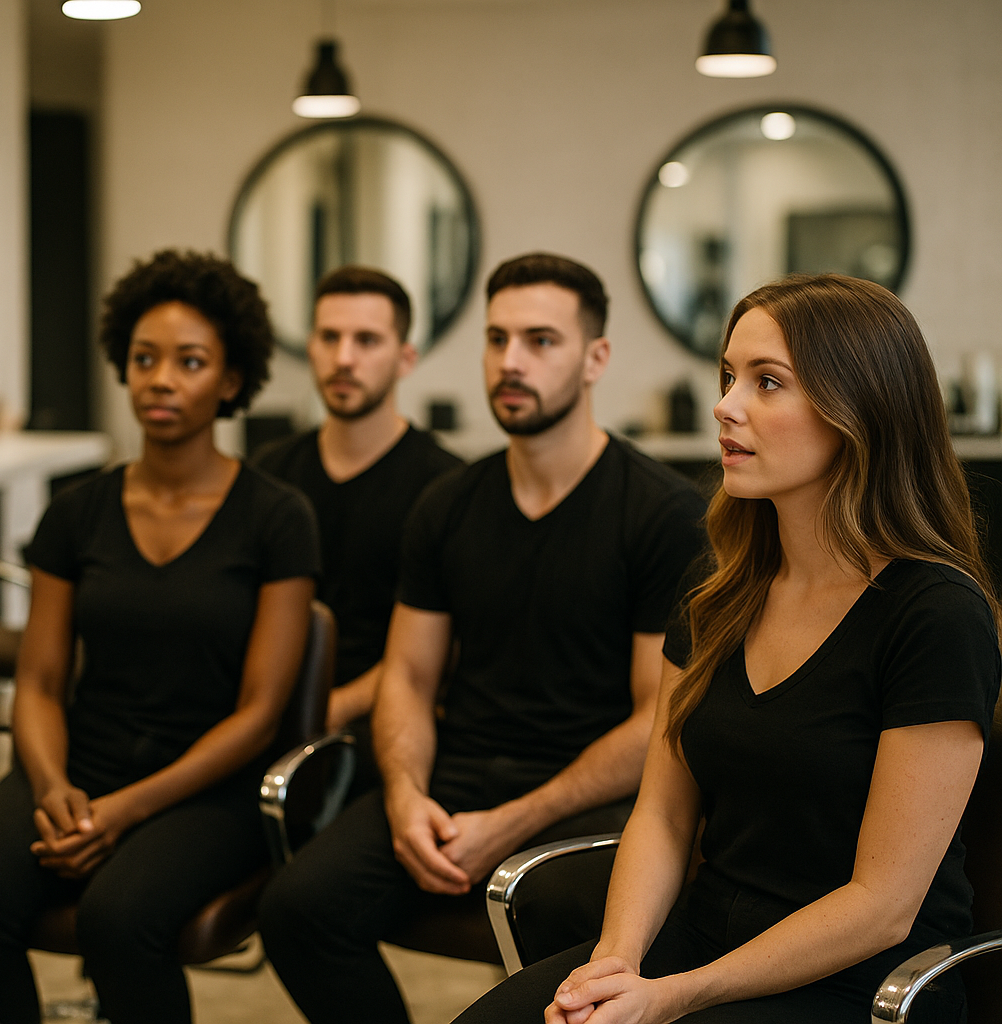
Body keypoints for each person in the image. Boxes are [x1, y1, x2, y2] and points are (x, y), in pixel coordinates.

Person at [454, 274, 1001, 1024]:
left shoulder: (935, 615)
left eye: (766, 382)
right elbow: (665, 815)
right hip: (704, 940)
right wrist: (614, 965)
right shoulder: (718, 589)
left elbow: (881, 907)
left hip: (862, 984)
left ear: (859, 412)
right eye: (728, 376)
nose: (724, 405)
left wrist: (673, 996)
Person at [258, 253, 708, 1024]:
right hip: (455, 780)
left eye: (540, 341)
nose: (510, 363)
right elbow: (408, 678)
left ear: (596, 358)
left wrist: (514, 821)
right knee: (299, 909)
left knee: (569, 939)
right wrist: (404, 798)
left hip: (592, 799)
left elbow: (654, 721)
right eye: (497, 339)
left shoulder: (660, 513)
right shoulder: (446, 505)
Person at [0, 250, 320, 1024]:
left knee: (120, 918)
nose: (161, 379)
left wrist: (126, 811)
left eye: (190, 361)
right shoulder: (78, 513)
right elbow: (38, 684)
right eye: (144, 359)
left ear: (233, 380)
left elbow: (261, 714)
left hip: (211, 786)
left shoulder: (278, 518)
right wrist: (53, 788)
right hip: (82, 765)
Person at [253, 266, 461, 785]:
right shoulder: (268, 474)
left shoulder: (447, 487)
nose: (344, 358)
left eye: (367, 340)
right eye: (330, 338)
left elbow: (446, 646)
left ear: (405, 358)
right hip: (264, 710)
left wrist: (333, 706)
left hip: (383, 727)